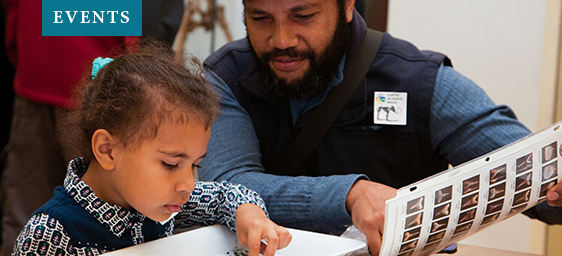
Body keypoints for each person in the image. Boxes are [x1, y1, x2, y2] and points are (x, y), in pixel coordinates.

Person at [198, 0, 562, 255]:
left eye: (303, 16)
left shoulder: (420, 83)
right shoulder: (225, 76)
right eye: (260, 18)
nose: (282, 40)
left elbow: (534, 173)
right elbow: (230, 181)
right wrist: (351, 194)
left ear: (346, 5)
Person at [11, 41, 292, 256]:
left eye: (195, 165)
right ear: (107, 150)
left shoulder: (162, 200)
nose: (188, 184)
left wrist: (251, 216)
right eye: (171, 164)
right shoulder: (49, 234)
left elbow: (229, 195)